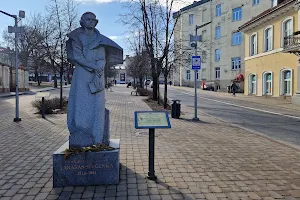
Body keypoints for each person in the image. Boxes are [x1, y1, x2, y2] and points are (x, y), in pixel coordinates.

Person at [66, 12, 124, 148]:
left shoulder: (100, 40)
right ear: (82, 22)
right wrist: (93, 67)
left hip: (97, 75)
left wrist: (99, 68)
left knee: (97, 105)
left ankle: (96, 137)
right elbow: (78, 57)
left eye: (93, 20)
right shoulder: (76, 37)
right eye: (88, 19)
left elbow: (102, 57)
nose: (91, 22)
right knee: (80, 101)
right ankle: (80, 131)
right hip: (82, 74)